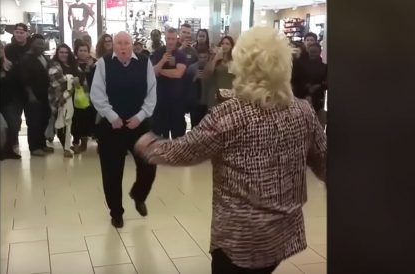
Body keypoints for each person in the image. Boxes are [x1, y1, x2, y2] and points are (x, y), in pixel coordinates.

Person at [134, 26, 327, 274]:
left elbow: (186, 150)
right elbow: (325, 162)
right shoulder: (303, 111)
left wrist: (148, 144)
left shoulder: (231, 113)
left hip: (240, 239)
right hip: (282, 232)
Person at [90, 31, 157, 228]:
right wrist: (112, 117)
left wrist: (140, 116)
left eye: (126, 43)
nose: (122, 47)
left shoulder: (145, 63)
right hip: (112, 126)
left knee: (149, 166)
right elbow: (97, 94)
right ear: (114, 46)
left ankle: (138, 195)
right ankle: (116, 212)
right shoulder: (103, 64)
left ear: (131, 45)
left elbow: (152, 94)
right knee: (112, 172)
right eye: (118, 43)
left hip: (139, 124)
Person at [150, 28, 188, 139]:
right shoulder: (158, 53)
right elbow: (152, 73)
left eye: (172, 39)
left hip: (177, 101)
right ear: (165, 39)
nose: (170, 41)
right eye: (168, 38)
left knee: (178, 135)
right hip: (161, 100)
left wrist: (160, 71)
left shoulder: (181, 55)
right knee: (161, 135)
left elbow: (178, 73)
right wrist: (162, 61)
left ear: (176, 39)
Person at [21, 34, 54, 157]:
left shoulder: (43, 57)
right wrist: (30, 95)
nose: (41, 46)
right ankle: (34, 147)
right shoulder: (26, 59)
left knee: (44, 120)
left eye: (42, 43)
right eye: (38, 43)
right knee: (34, 122)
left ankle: (42, 144)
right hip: (33, 96)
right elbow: (25, 79)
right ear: (31, 44)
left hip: (45, 95)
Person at [1, 23, 30, 160]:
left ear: (26, 33)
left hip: (29, 90)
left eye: (21, 32)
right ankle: (11, 146)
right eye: (17, 32)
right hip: (13, 92)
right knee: (14, 122)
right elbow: (7, 66)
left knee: (31, 120)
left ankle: (35, 144)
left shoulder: (31, 48)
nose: (19, 34)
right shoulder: (8, 49)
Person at [47, 44, 79, 158]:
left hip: (73, 97)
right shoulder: (54, 65)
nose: (64, 54)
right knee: (61, 121)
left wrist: (74, 83)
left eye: (66, 52)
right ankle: (65, 147)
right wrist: (63, 94)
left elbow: (78, 78)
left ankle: (68, 145)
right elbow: (54, 82)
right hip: (58, 97)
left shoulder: (72, 64)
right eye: (61, 52)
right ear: (57, 53)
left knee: (70, 121)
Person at [72, 40, 97, 154]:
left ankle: (85, 143)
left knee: (89, 119)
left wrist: (91, 68)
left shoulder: (94, 64)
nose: (83, 53)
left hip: (91, 96)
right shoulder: (72, 63)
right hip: (75, 95)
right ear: (76, 52)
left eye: (85, 50)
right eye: (80, 50)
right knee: (76, 120)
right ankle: (76, 142)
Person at [202, 36, 235, 108]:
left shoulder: (235, 60)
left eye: (227, 44)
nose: (224, 46)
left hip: (230, 95)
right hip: (215, 94)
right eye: (222, 43)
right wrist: (215, 58)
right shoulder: (215, 58)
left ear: (231, 46)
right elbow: (207, 73)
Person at [184, 47, 210, 128]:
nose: (202, 59)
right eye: (200, 57)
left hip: (207, 101)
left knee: (206, 127)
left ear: (208, 56)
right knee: (195, 126)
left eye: (205, 57)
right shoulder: (191, 68)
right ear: (197, 57)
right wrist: (195, 77)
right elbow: (186, 85)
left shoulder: (211, 67)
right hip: (195, 102)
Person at [304, 43, 327, 127]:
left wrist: (318, 86)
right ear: (308, 51)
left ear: (319, 52)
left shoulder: (324, 67)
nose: (313, 54)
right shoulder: (302, 66)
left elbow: (327, 83)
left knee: (319, 124)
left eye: (315, 52)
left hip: (319, 99)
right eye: (311, 52)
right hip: (303, 98)